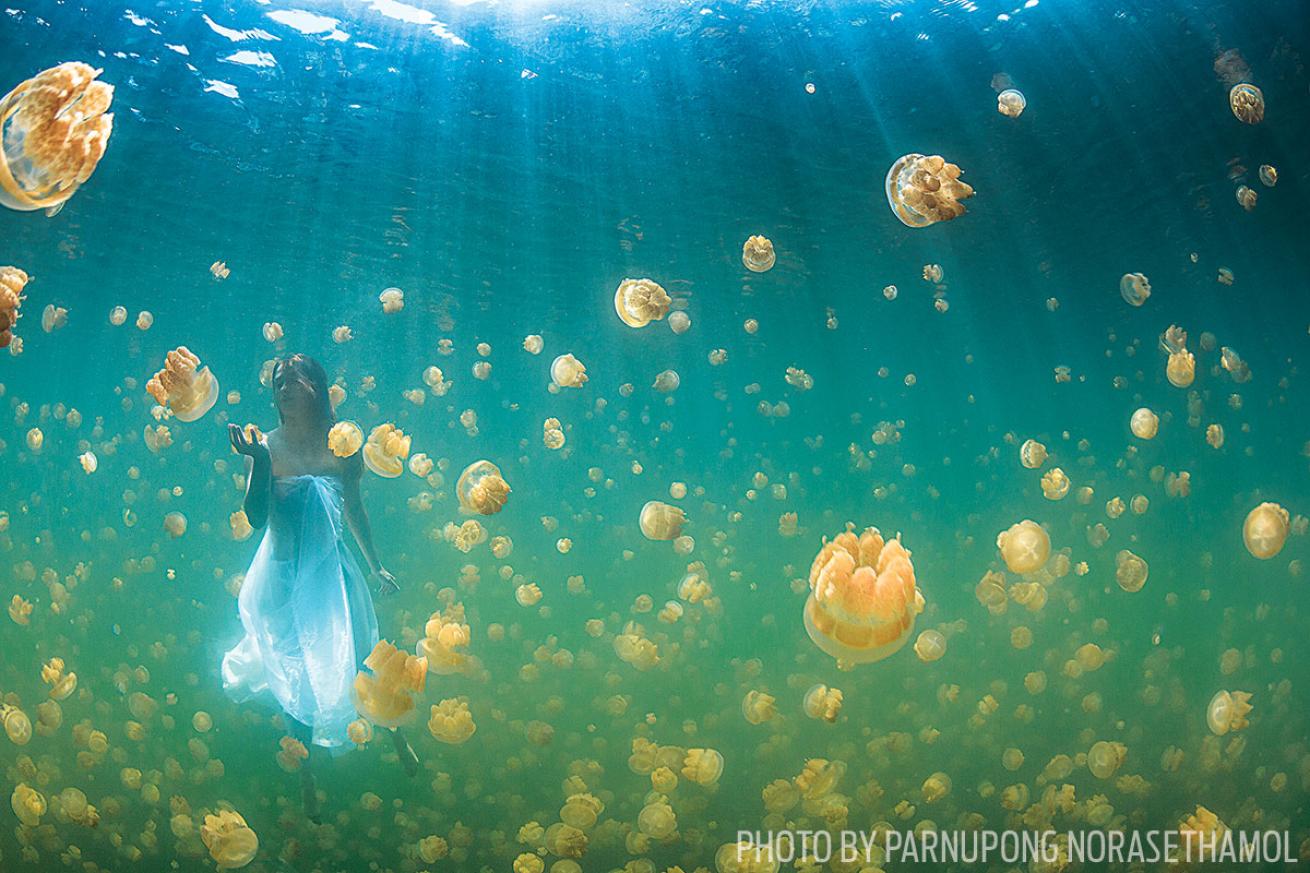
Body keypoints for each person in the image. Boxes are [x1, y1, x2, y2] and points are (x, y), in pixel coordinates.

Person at [221, 354, 417, 822]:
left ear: (317, 387)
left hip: (332, 569)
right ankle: (306, 774)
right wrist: (259, 462)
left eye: (293, 379)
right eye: (277, 381)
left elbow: (354, 509)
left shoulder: (342, 445)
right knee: (294, 667)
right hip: (282, 575)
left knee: (364, 649)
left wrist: (375, 566)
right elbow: (253, 518)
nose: (283, 387)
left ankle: (395, 732)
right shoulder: (266, 444)